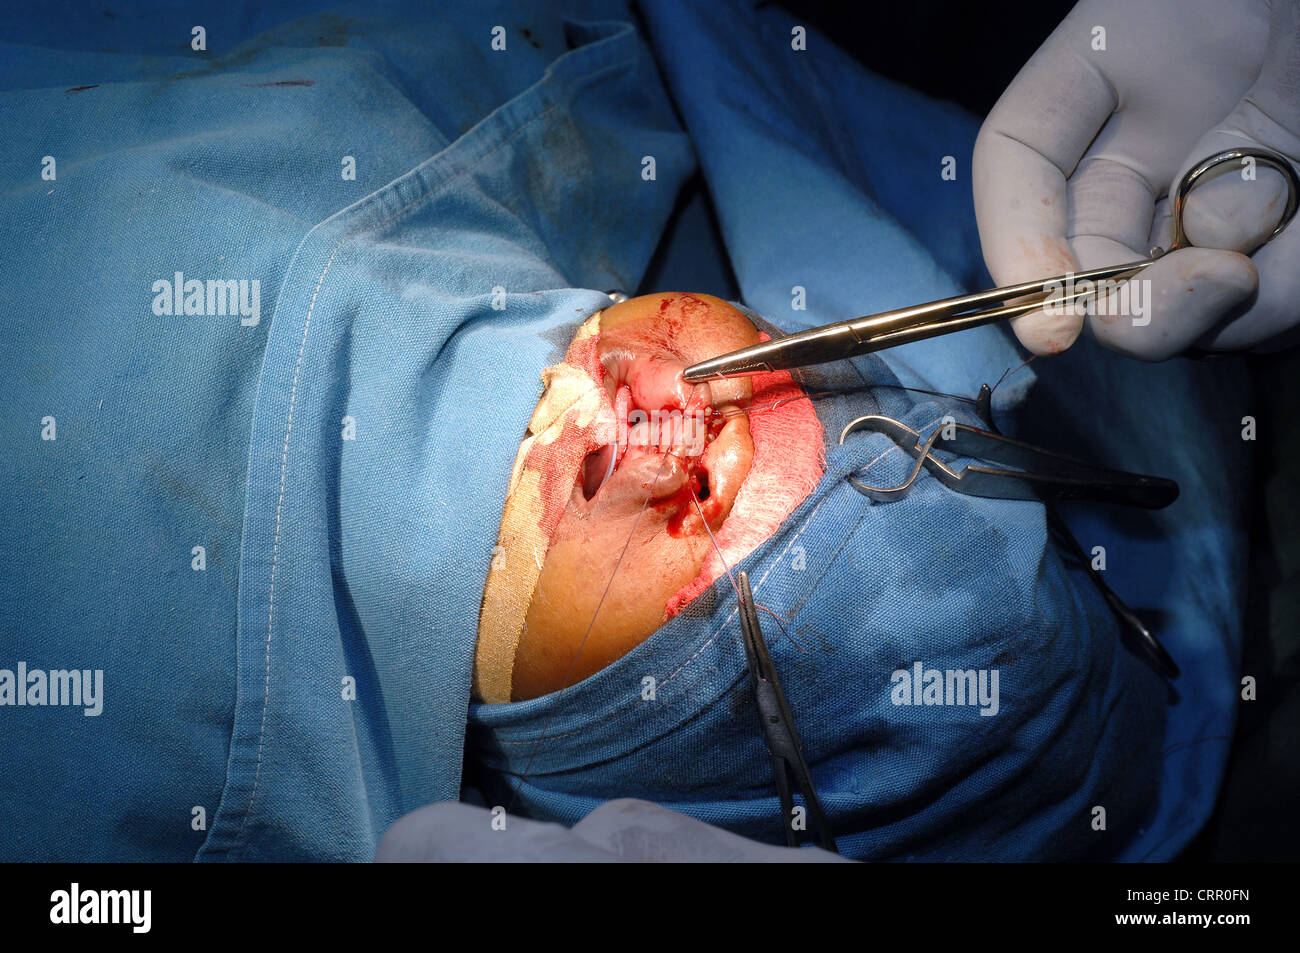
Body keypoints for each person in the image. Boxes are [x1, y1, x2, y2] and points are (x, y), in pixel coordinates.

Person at [0, 0, 1273, 863]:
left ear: (597, 768)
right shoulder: (605, 122)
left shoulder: (180, 784)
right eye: (814, 399)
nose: (690, 441)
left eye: (762, 590)